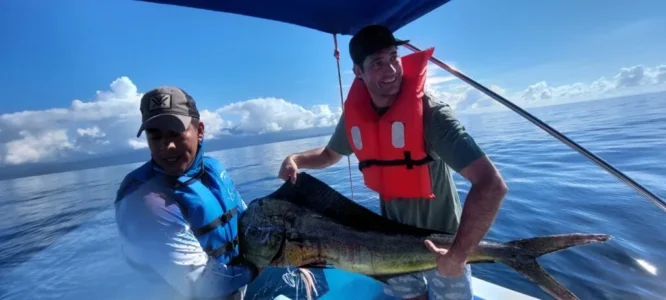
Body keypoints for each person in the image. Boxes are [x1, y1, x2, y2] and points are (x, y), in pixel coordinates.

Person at [277, 25, 508, 300]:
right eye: (377, 63)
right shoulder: (355, 119)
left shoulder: (433, 116)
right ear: (358, 72)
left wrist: (458, 255)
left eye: (393, 57)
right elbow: (329, 155)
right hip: (387, 244)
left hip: (445, 246)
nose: (391, 70)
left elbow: (492, 185)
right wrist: (295, 159)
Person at [114, 86, 258, 299]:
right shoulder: (147, 202)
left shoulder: (213, 170)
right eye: (155, 136)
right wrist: (261, 265)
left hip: (235, 283)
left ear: (199, 131)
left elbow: (247, 218)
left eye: (175, 133)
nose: (167, 145)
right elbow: (206, 286)